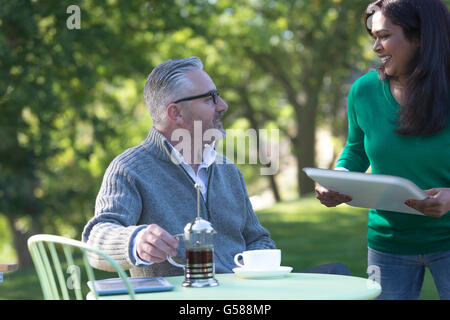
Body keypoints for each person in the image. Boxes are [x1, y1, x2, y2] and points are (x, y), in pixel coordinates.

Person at [82, 57, 351, 278]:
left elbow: (257, 238)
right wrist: (136, 240)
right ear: (175, 113)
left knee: (338, 275)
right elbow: (96, 239)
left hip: (246, 295)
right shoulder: (129, 169)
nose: (223, 106)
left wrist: (257, 267)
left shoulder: (227, 170)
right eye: (209, 98)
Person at [315, 0, 450, 300]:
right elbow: (355, 149)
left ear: (421, 36)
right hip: (388, 244)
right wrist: (338, 178)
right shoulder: (363, 91)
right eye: (373, 37)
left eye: (385, 35)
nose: (376, 47)